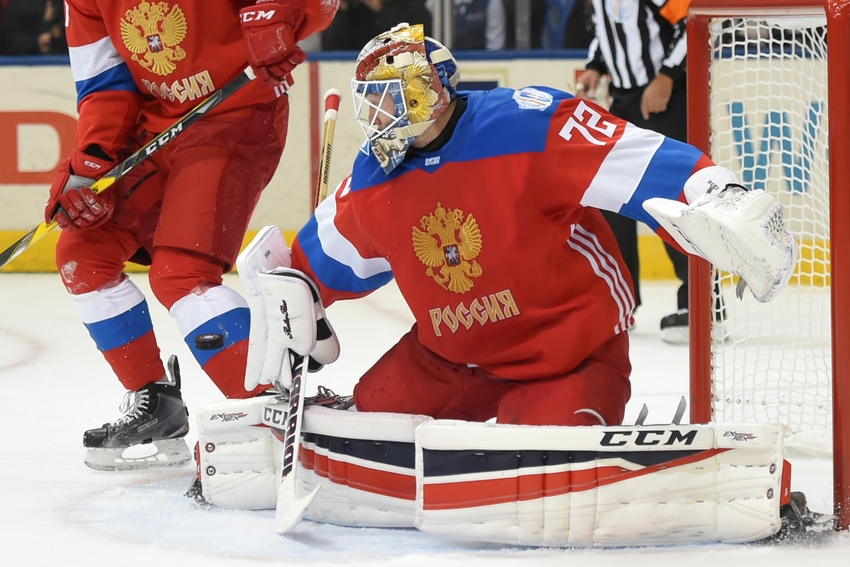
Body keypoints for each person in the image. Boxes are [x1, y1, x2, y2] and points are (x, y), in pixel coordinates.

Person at [276, 23, 794, 427]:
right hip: (449, 359)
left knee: (545, 463)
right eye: (369, 103)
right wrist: (295, 297)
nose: (373, 119)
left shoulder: (528, 123)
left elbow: (635, 158)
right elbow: (316, 266)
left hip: (566, 355)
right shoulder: (374, 176)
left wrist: (716, 195)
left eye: (386, 100)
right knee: (370, 429)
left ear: (425, 92)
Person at [46, 0, 337, 472]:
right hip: (158, 125)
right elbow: (105, 81)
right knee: (82, 253)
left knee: (181, 275)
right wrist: (93, 159)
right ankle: (155, 401)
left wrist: (288, 15)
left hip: (236, 112)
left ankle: (267, 410)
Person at [575, 0, 694, 343]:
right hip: (624, 102)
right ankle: (619, 301)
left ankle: (700, 305)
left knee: (674, 199)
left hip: (666, 99)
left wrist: (667, 76)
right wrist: (595, 66)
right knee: (612, 199)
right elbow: (606, 27)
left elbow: (690, 20)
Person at [321, 0, 431, 50]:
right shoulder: (354, 9)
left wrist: (379, 8)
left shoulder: (415, 9)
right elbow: (331, 52)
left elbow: (413, 50)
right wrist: (342, 9)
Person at [0, 0, 66, 55]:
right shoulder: (21, 5)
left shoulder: (65, 4)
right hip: (26, 60)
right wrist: (36, 42)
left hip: (66, 57)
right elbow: (9, 40)